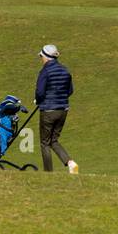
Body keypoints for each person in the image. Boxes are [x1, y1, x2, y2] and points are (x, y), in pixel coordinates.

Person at [34, 44, 78, 174]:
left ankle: (48, 173)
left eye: (41, 56)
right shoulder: (65, 70)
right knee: (53, 140)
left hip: (48, 110)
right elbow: (70, 91)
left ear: (46, 57)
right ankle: (70, 163)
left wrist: (39, 100)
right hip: (63, 110)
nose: (41, 59)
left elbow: (40, 92)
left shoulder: (45, 71)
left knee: (44, 142)